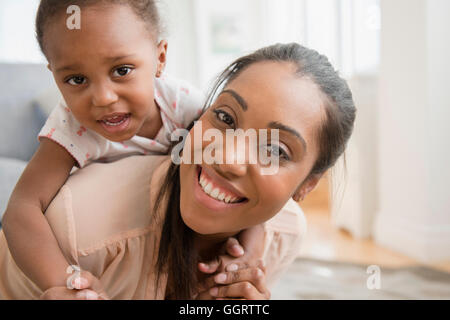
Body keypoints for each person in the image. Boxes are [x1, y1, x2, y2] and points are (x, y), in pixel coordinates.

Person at [0, 42, 356, 299]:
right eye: (226, 118)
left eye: (274, 150)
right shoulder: (83, 229)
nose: (227, 159)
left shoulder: (285, 232)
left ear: (306, 187)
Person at [0, 0, 265, 295]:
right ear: (54, 75)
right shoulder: (71, 126)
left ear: (160, 58)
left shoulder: (186, 108)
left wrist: (250, 250)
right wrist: (63, 281)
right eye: (76, 79)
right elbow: (22, 209)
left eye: (122, 70)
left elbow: (240, 185)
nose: (102, 98)